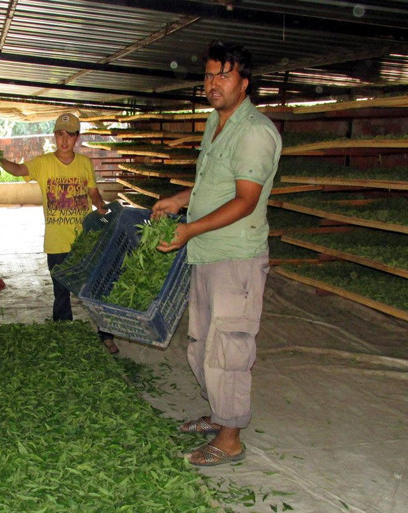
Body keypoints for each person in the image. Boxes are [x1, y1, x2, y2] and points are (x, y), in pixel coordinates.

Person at [151, 40, 281, 466]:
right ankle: (218, 414)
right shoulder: (214, 122)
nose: (212, 84)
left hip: (235, 257)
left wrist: (188, 229)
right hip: (206, 253)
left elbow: (245, 199)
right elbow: (214, 185)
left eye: (223, 75)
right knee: (202, 343)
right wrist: (180, 200)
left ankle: (230, 439)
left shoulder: (256, 132)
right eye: (208, 75)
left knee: (229, 348)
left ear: (244, 83)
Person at [0, 113, 118, 354]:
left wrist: (100, 205)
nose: (64, 140)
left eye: (70, 135)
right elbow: (19, 169)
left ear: (77, 138)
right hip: (55, 242)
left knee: (95, 288)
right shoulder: (43, 163)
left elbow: (92, 191)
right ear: (54, 136)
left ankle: (106, 334)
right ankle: (64, 335)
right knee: (61, 293)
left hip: (83, 241)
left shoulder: (84, 163)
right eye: (60, 135)